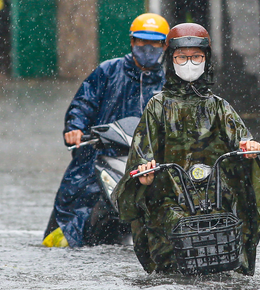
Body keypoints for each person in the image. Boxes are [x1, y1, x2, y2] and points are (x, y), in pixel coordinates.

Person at [112, 23, 260, 275]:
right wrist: (145, 174)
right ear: (171, 59)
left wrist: (249, 147)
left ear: (207, 59)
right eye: (182, 57)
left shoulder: (218, 106)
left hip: (215, 192)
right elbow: (142, 152)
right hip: (171, 195)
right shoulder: (157, 106)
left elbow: (241, 137)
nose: (189, 63)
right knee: (165, 225)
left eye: (196, 57)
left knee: (237, 213)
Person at [43, 13, 171, 248]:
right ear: (132, 42)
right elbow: (84, 104)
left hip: (148, 162)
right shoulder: (108, 71)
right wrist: (75, 128)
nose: (148, 48)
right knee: (75, 199)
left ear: (165, 45)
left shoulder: (169, 83)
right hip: (99, 156)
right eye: (142, 41)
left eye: (155, 42)